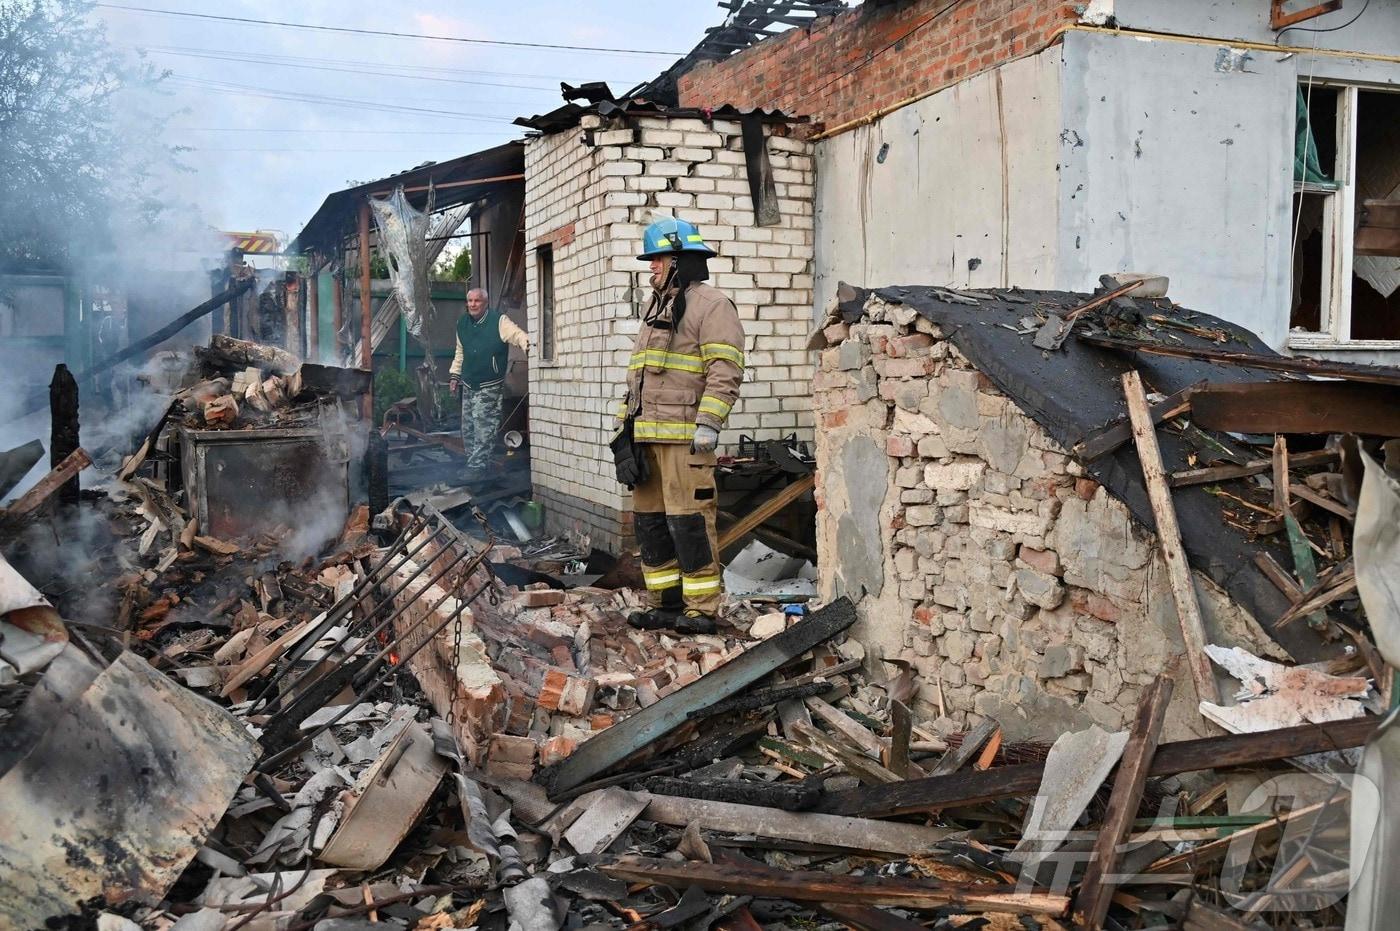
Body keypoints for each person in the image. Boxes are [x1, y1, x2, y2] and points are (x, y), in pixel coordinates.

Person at [615, 217, 744, 635]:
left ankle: (701, 608)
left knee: (689, 525)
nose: (651, 266)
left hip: (686, 442)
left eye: (657, 258)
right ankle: (665, 605)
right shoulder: (657, 309)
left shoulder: (712, 306)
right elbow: (638, 379)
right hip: (647, 441)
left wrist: (709, 422)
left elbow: (725, 368)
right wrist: (623, 436)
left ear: (679, 258)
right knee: (651, 526)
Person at [449, 288, 529, 480]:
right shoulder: (462, 324)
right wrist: (454, 376)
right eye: (470, 301)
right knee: (468, 427)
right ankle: (473, 464)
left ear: (485, 303)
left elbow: (518, 335)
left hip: (489, 384)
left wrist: (528, 346)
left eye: (478, 301)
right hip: (469, 383)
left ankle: (478, 469)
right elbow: (460, 352)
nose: (473, 304)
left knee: (484, 426)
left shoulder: (498, 321)